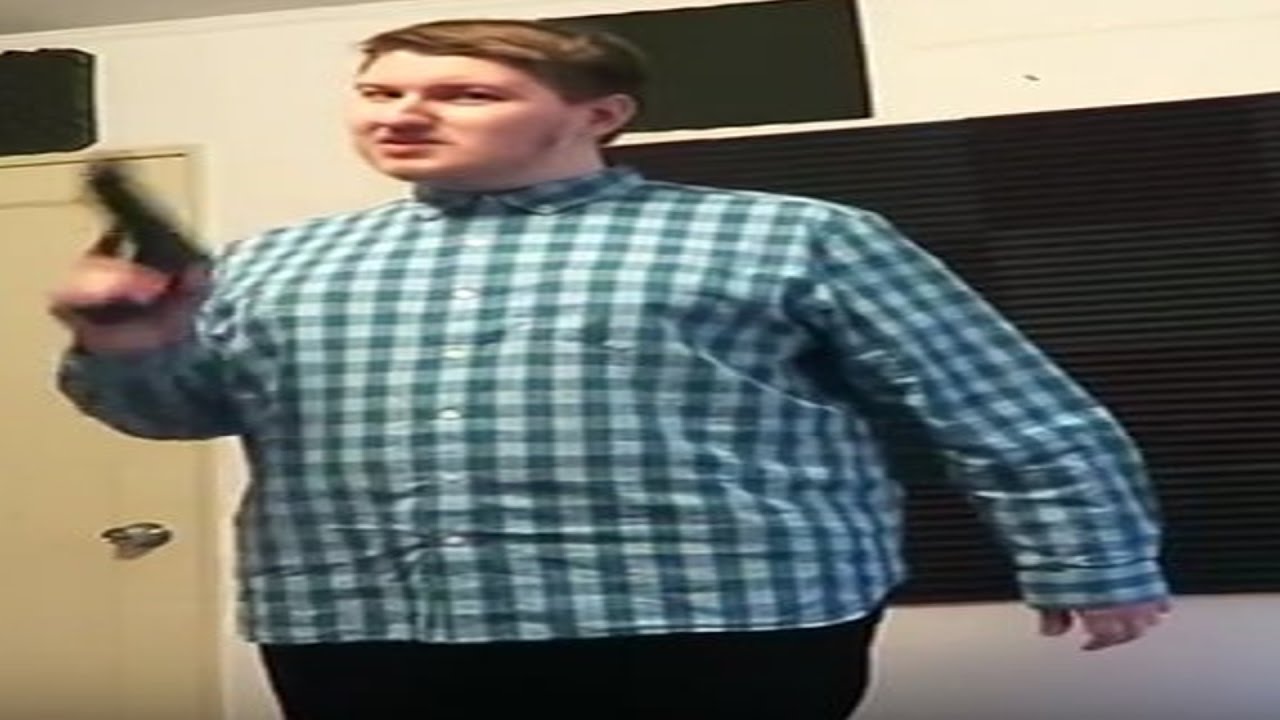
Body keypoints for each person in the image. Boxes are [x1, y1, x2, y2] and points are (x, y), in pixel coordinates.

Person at [50, 18, 1171, 720]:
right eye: (381, 93)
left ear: (600, 114)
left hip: (717, 630)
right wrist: (127, 344)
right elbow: (179, 415)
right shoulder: (274, 260)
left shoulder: (795, 234)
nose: (404, 114)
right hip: (367, 630)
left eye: (462, 93)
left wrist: (1093, 559)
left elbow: (1000, 406)